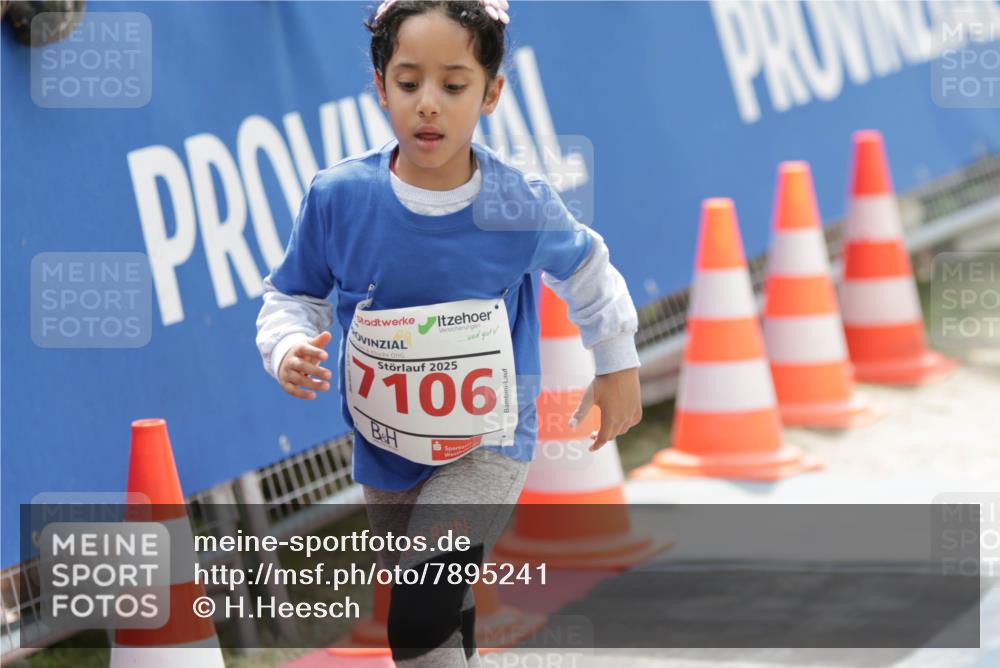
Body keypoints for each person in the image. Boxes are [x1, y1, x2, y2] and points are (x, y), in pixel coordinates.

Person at [256, 1, 642, 665]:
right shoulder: (338, 197)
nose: (428, 103)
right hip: (385, 445)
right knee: (436, 618)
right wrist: (287, 347)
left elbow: (587, 268)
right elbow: (292, 294)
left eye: (454, 85)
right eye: (408, 83)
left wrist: (616, 362)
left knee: (420, 607)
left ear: (491, 93)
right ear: (381, 87)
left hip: (488, 443)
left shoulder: (516, 203)